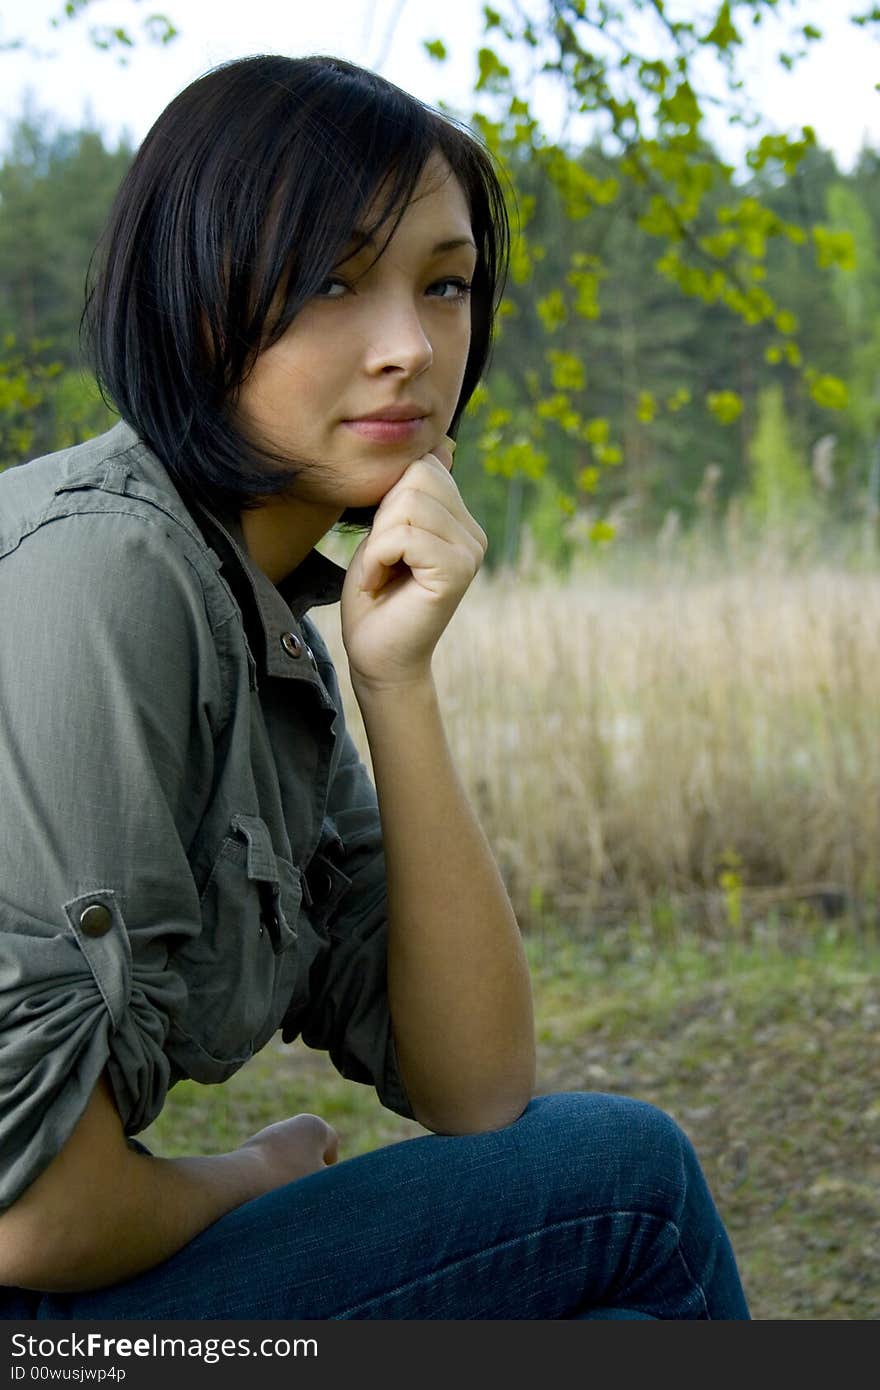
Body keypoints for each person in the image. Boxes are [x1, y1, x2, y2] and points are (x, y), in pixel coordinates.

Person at [0, 54, 750, 1320]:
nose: (409, 346)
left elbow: (471, 1088)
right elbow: (36, 1219)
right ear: (190, 302)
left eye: (444, 284)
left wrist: (394, 678)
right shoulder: (106, 577)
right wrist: (251, 1174)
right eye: (331, 281)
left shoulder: (261, 621)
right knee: (630, 1191)